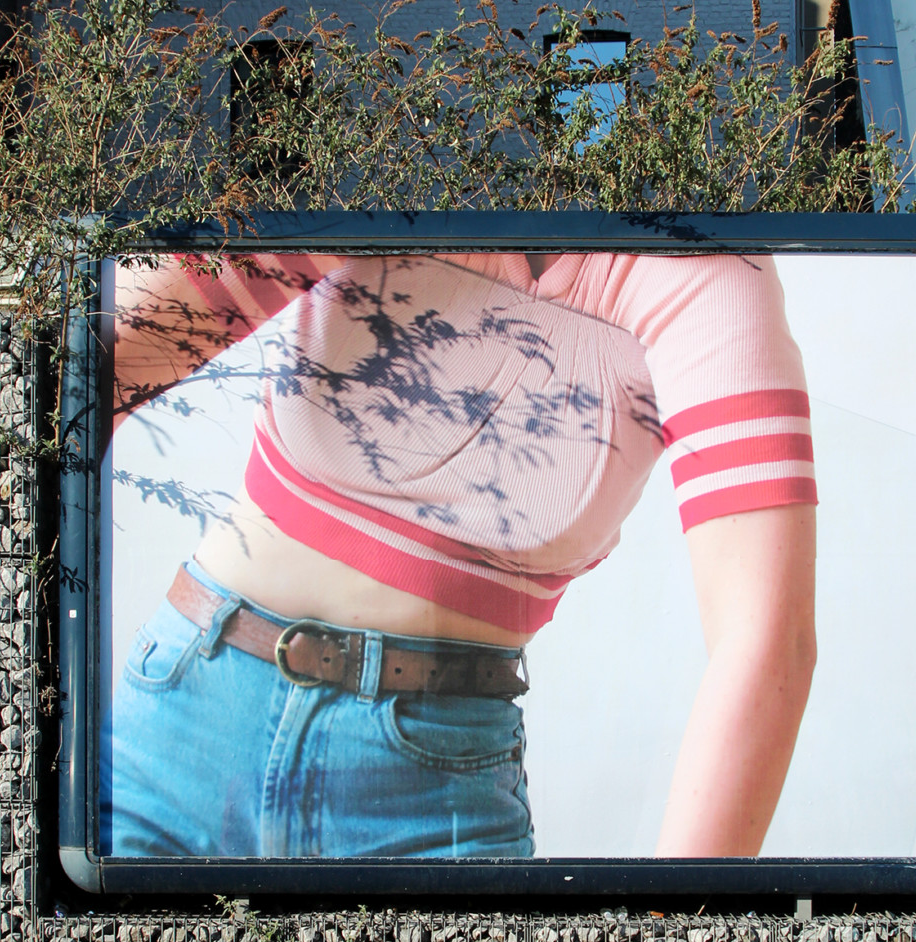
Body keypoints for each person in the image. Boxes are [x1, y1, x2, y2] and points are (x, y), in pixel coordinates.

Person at [105, 248, 817, 861]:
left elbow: (766, 642)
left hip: (429, 790)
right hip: (181, 718)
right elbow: (86, 369)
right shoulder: (395, 140)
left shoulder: (711, 274)